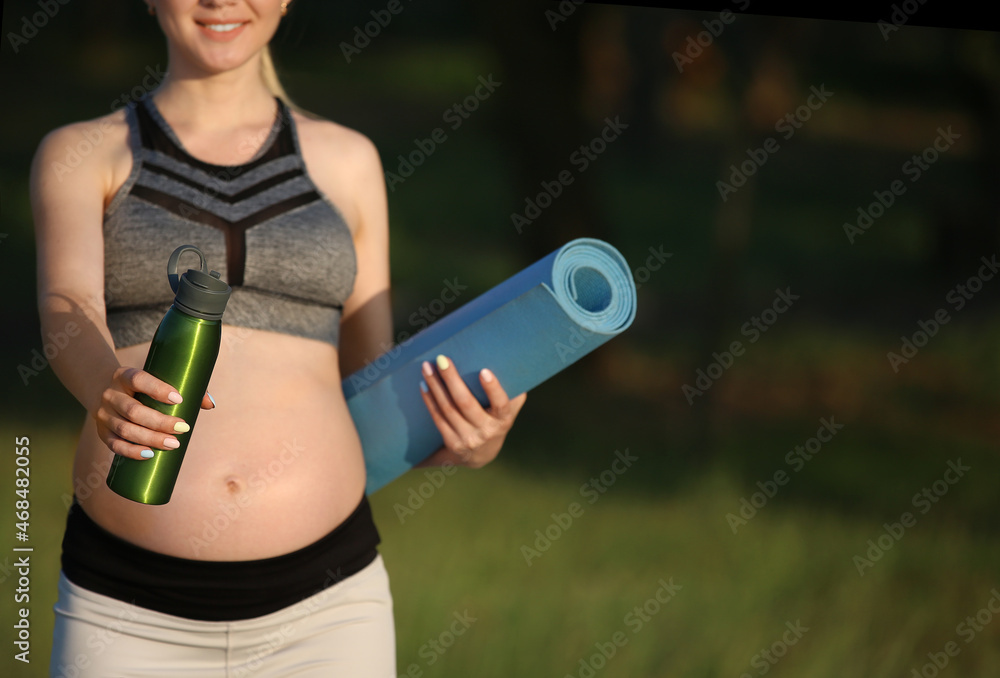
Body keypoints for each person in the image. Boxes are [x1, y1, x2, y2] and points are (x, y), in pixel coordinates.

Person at [30, 1, 527, 676]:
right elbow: (68, 305)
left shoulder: (349, 160)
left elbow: (373, 380)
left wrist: (463, 438)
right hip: (126, 610)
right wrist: (103, 386)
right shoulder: (82, 152)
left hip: (328, 610)